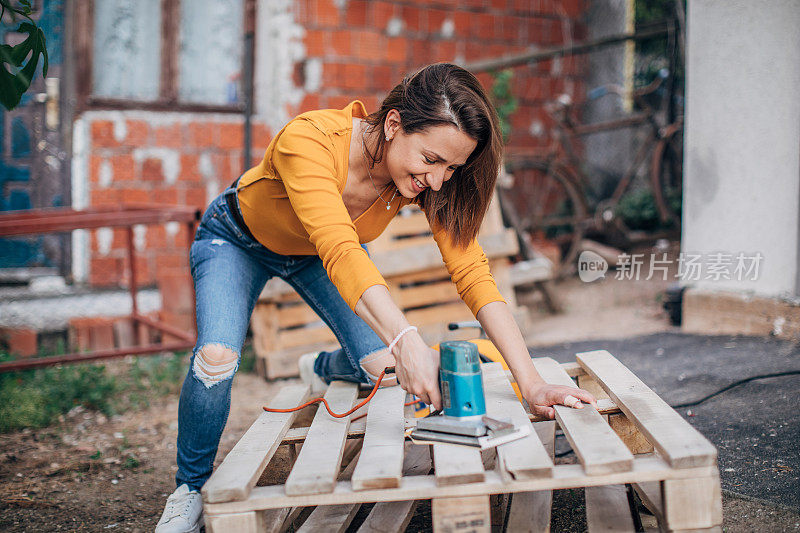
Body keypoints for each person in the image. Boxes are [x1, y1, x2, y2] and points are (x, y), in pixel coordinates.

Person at [155, 62, 596, 532]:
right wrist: (406, 340)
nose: (439, 180)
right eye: (431, 160)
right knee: (217, 357)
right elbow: (341, 250)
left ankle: (324, 367)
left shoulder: (423, 181)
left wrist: (529, 382)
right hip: (238, 240)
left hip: (317, 253)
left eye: (452, 167)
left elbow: (471, 272)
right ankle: (189, 490)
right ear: (392, 124)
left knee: (383, 370)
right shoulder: (307, 139)